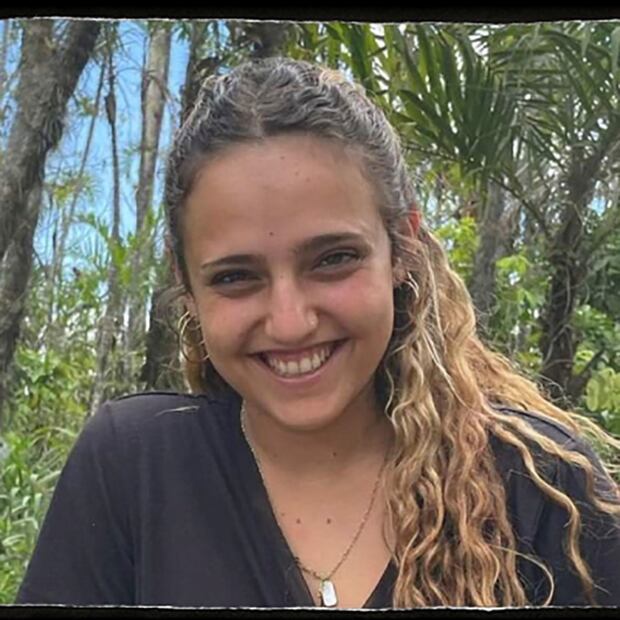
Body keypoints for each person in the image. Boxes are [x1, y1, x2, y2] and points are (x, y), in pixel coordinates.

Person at [16, 57, 620, 608]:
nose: (290, 322)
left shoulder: (545, 490)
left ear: (402, 247)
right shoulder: (134, 469)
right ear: (187, 284)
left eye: (333, 259)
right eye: (235, 277)